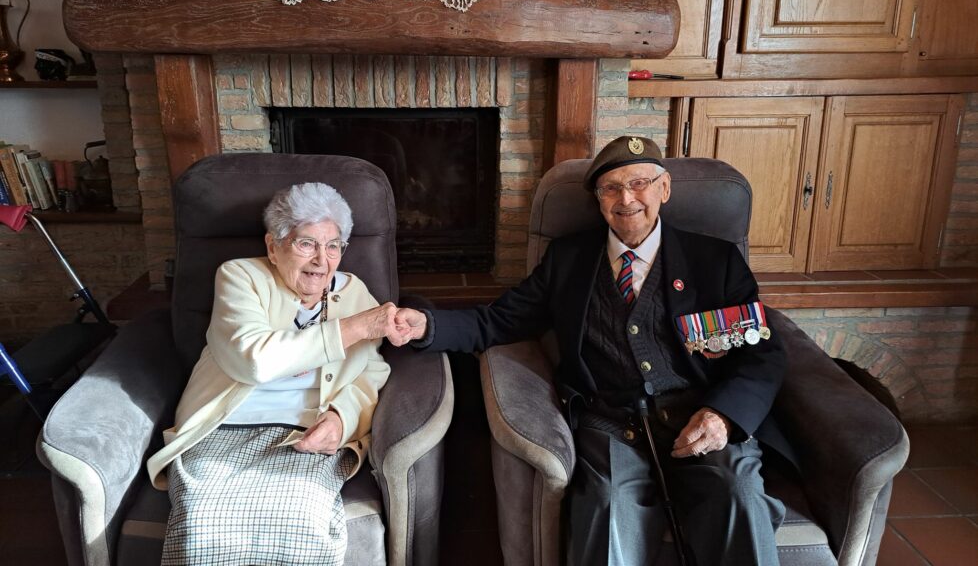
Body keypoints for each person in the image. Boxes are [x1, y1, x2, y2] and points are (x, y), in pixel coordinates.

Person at [392, 136, 792, 565]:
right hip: (614, 427)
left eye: (639, 183)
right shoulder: (569, 259)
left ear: (664, 189)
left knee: (739, 496)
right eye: (610, 189)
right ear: (598, 200)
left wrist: (724, 417)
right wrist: (427, 324)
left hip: (702, 417)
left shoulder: (715, 260)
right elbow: (499, 320)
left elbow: (761, 352)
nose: (626, 199)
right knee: (604, 508)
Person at [147, 182, 395, 566]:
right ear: (272, 246)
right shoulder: (239, 277)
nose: (321, 261)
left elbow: (371, 371)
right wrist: (357, 328)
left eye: (333, 246)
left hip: (305, 432)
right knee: (201, 521)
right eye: (306, 244)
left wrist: (342, 419)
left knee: (302, 516)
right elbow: (254, 361)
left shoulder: (355, 293)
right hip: (224, 427)